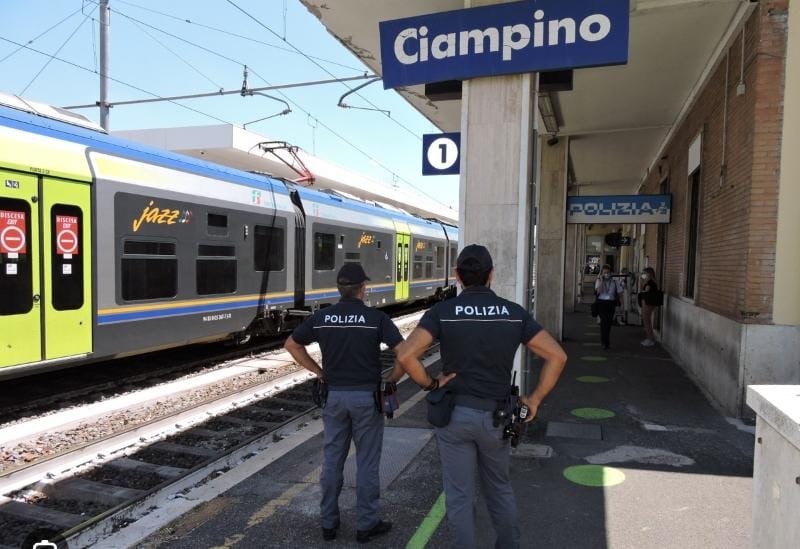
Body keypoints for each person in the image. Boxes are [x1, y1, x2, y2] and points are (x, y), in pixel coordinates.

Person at [396, 244, 568, 549]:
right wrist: (534, 399)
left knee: (460, 495)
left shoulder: (443, 312)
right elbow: (557, 356)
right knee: (499, 489)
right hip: (496, 418)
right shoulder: (514, 313)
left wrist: (431, 384)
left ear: (457, 276)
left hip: (454, 417)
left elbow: (408, 355)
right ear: (491, 275)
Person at [284, 262, 405, 543]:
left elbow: (292, 345)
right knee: (367, 462)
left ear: (340, 289)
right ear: (363, 289)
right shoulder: (376, 319)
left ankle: (328, 523)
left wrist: (319, 371)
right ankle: (367, 523)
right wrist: (391, 379)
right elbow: (405, 352)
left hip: (334, 397)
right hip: (366, 398)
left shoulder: (323, 317)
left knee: (332, 460)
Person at [594, 264, 620, 350]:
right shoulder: (598, 281)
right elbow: (599, 291)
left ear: (611, 273)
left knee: (608, 323)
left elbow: (620, 292)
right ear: (601, 273)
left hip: (611, 304)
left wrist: (621, 305)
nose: (607, 274)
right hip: (602, 304)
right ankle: (605, 342)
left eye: (608, 272)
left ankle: (605, 341)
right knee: (604, 322)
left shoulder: (614, 282)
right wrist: (601, 280)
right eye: (605, 272)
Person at [638, 267, 660, 347]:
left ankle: (650, 339)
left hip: (648, 303)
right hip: (646, 302)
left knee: (647, 321)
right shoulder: (648, 282)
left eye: (644, 273)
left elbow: (645, 291)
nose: (643, 275)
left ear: (649, 274)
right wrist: (642, 281)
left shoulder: (650, 282)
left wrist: (643, 282)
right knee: (646, 320)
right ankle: (650, 338)